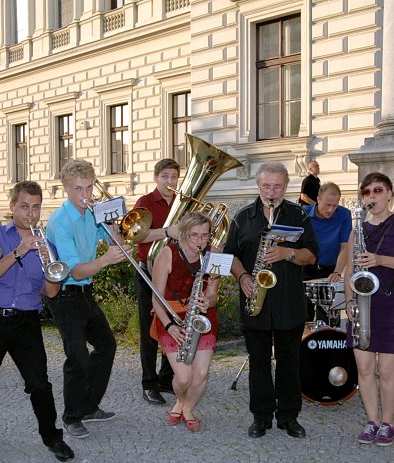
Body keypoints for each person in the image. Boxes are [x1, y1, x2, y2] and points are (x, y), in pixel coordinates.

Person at [0, 181, 74, 462]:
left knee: (39, 384)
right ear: (12, 206)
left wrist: (48, 264)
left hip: (26, 321)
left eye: (36, 207)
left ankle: (52, 438)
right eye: (24, 207)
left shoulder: (47, 244)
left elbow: (51, 292)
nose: (31, 214)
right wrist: (19, 251)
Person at [225, 161, 319, 439]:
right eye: (266, 186)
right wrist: (243, 276)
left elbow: (312, 255)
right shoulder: (243, 217)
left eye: (277, 186)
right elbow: (231, 255)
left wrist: (288, 254)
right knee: (259, 362)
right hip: (256, 300)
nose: (271, 192)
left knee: (289, 362)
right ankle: (261, 417)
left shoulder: (299, 215)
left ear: (286, 186)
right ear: (258, 186)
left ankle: (289, 417)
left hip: (289, 301)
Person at [46, 159, 129, 439]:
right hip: (65, 294)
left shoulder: (93, 213)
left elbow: (118, 243)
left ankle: (89, 407)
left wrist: (112, 222)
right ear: (66, 189)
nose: (85, 194)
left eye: (89, 187)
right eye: (78, 189)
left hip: (85, 292)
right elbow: (75, 270)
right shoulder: (60, 221)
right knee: (78, 356)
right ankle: (71, 417)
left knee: (107, 345)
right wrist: (105, 260)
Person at [344, 172, 394, 447]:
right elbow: (349, 270)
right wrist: (350, 301)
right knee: (364, 368)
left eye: (378, 190)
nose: (372, 196)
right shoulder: (357, 230)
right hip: (364, 304)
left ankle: (388, 423)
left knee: (387, 370)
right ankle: (372, 421)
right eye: (367, 192)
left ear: (389, 194)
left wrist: (379, 259)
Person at [151, 212, 220, 432]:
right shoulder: (167, 254)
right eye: (194, 235)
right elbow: (156, 298)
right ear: (183, 233)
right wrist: (170, 326)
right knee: (183, 378)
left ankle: (187, 408)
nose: (200, 241)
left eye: (205, 235)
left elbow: (214, 294)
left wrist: (208, 301)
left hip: (202, 317)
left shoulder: (215, 253)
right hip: (170, 317)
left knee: (201, 374)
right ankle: (180, 400)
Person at [133, 159, 179, 405]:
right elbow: (136, 235)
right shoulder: (145, 202)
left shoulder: (182, 202)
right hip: (148, 273)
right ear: (156, 178)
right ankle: (148, 384)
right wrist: (168, 231)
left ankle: (166, 379)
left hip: (175, 275)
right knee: (149, 330)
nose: (170, 181)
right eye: (165, 176)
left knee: (174, 324)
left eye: (173, 177)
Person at [303, 182, 352, 322]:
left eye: (335, 206)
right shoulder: (303, 213)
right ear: (318, 199)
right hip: (305, 269)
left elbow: (345, 246)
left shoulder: (344, 214)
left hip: (330, 271)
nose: (330, 210)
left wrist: (337, 272)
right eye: (327, 205)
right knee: (303, 316)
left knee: (329, 319)